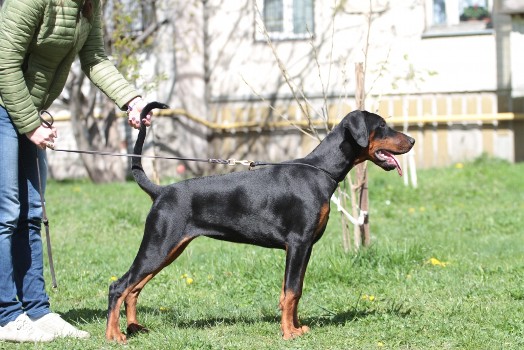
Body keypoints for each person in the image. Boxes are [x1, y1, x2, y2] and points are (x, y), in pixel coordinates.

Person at [0, 0, 153, 343]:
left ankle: (36, 310)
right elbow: (4, 63)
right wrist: (29, 124)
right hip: (4, 106)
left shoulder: (88, 4)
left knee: (32, 213)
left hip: (28, 108)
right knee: (7, 212)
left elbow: (95, 57)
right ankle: (6, 314)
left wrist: (131, 99)